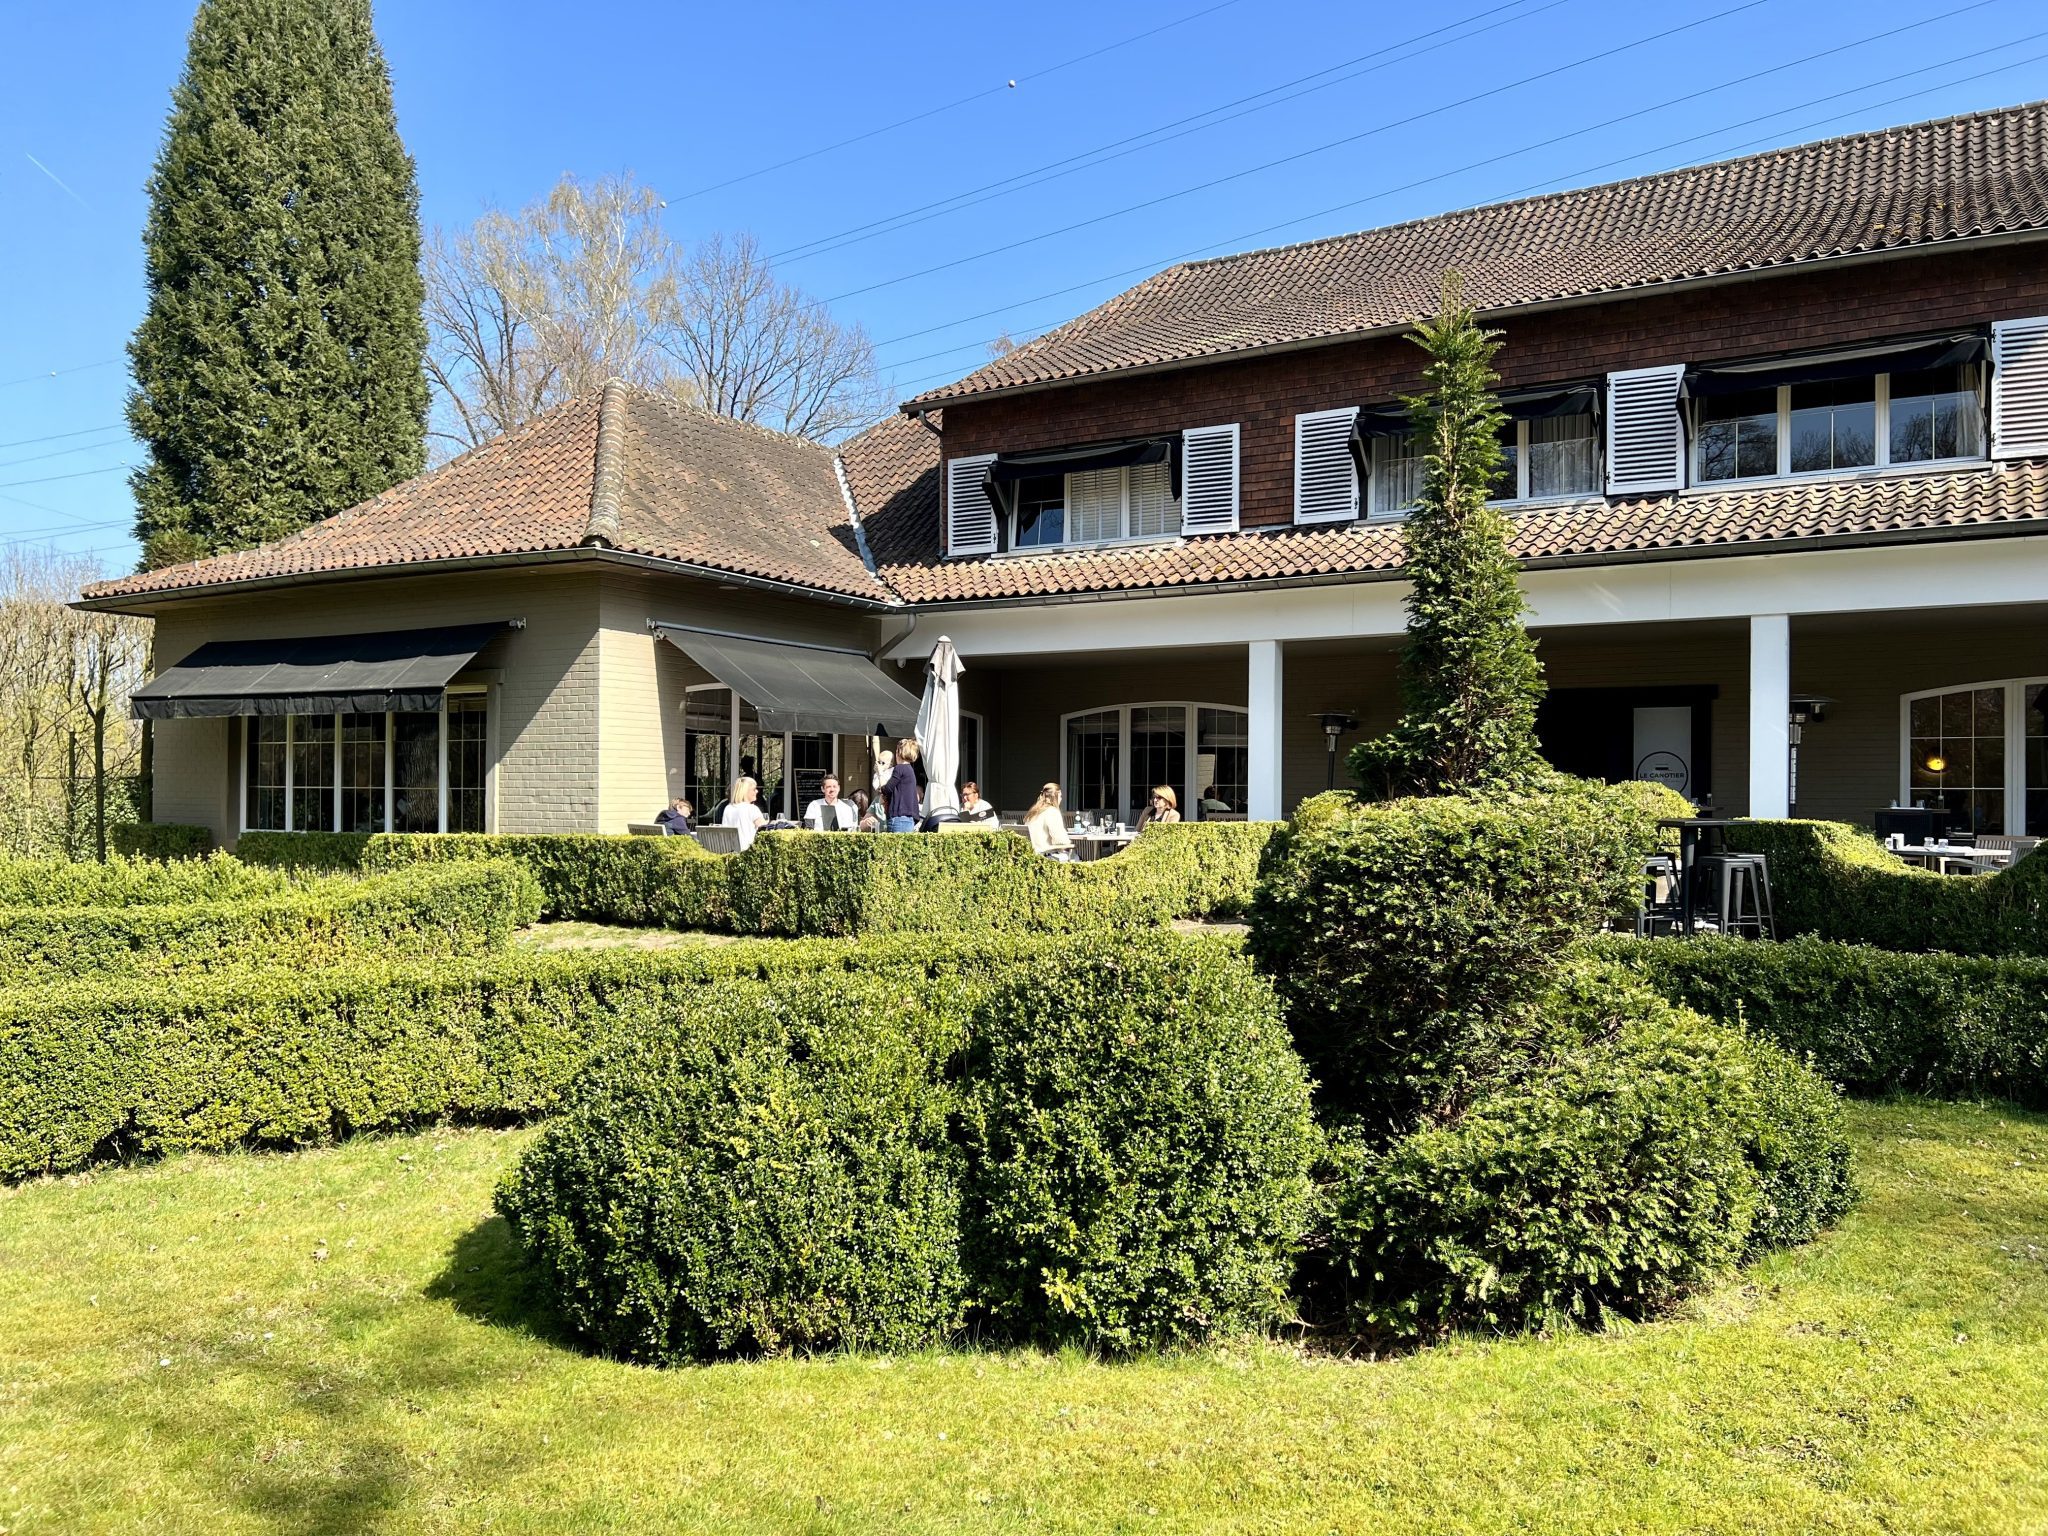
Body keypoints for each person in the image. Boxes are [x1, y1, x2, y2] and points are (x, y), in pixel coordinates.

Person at [1023, 782, 1074, 859]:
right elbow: (1060, 840)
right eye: (1060, 796)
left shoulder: (1033, 812)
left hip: (1030, 855)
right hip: (1044, 855)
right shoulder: (1052, 811)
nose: (1061, 799)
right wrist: (1070, 844)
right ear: (1055, 796)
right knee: (1076, 857)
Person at [883, 737, 922, 832]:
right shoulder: (910, 770)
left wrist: (880, 774)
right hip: (909, 819)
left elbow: (887, 789)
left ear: (899, 753)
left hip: (898, 818)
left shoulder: (899, 768)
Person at [719, 776, 768, 851]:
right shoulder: (752, 809)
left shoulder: (728, 808)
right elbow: (765, 829)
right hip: (747, 853)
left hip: (729, 853)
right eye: (754, 789)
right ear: (745, 792)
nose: (757, 791)